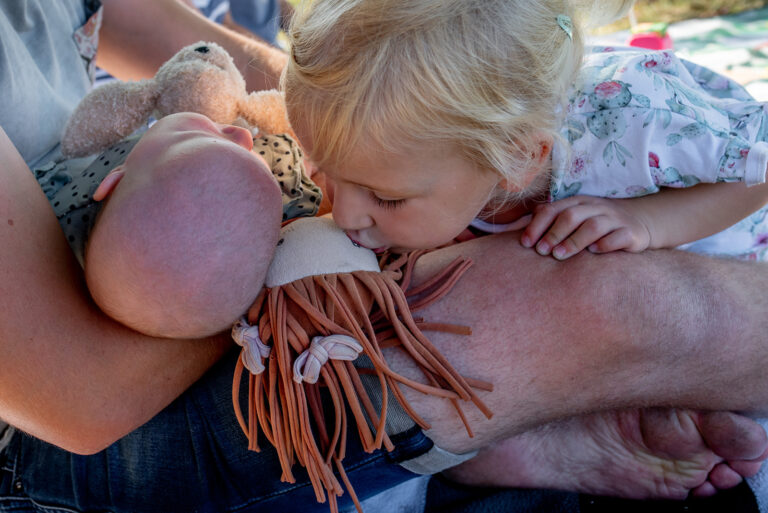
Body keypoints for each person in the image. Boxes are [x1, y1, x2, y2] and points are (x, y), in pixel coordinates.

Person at [3, 1, 768, 512]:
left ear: (514, 154)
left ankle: (503, 431)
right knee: (575, 302)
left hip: (150, 230)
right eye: (334, 181)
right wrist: (277, 269)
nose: (344, 206)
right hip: (56, 427)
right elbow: (82, 404)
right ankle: (501, 434)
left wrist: (366, 111)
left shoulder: (635, 107)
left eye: (383, 194)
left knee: (558, 285)